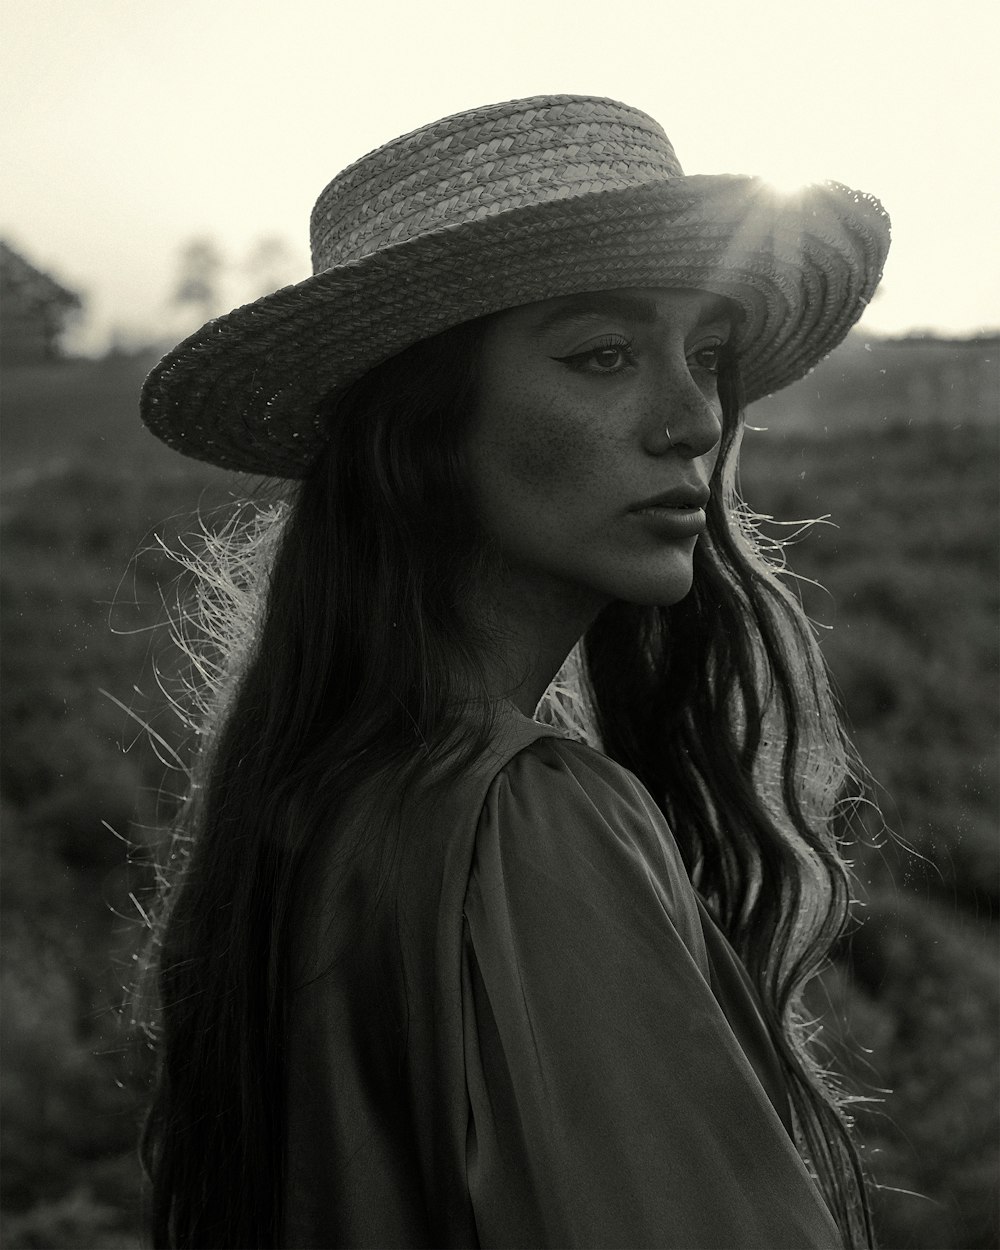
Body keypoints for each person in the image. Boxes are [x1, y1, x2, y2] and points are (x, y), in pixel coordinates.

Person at [137, 95, 890, 1249]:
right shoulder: (528, 817)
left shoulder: (328, 790)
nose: (694, 418)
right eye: (602, 354)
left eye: (707, 354)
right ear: (420, 429)